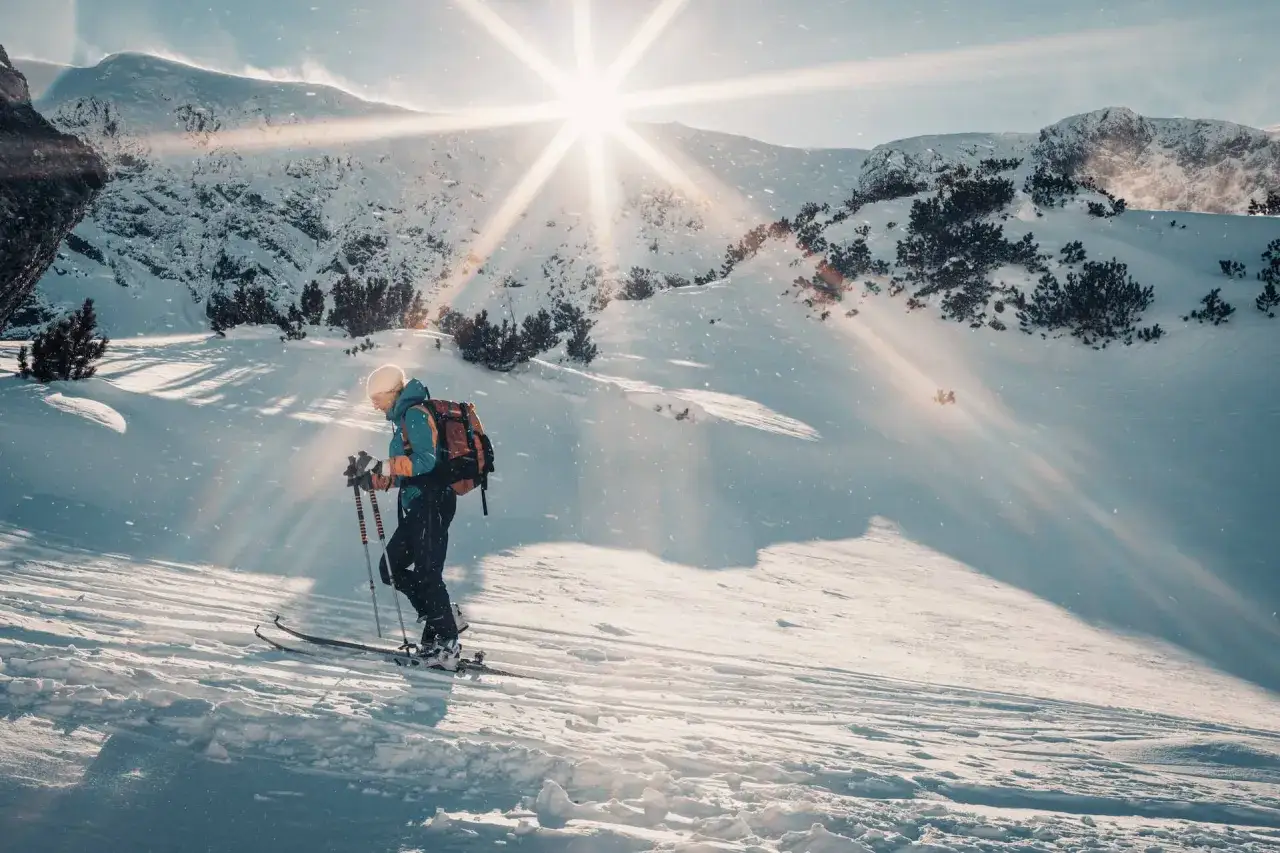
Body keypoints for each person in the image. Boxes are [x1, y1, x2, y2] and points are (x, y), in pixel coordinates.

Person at [356, 363, 468, 669]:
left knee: (428, 573)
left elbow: (425, 462)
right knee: (390, 569)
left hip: (433, 502)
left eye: (377, 398)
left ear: (392, 392)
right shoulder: (404, 420)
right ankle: (444, 618)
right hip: (420, 503)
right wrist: (372, 479)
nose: (374, 405)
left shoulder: (415, 414)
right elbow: (408, 471)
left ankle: (447, 646)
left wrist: (382, 466)